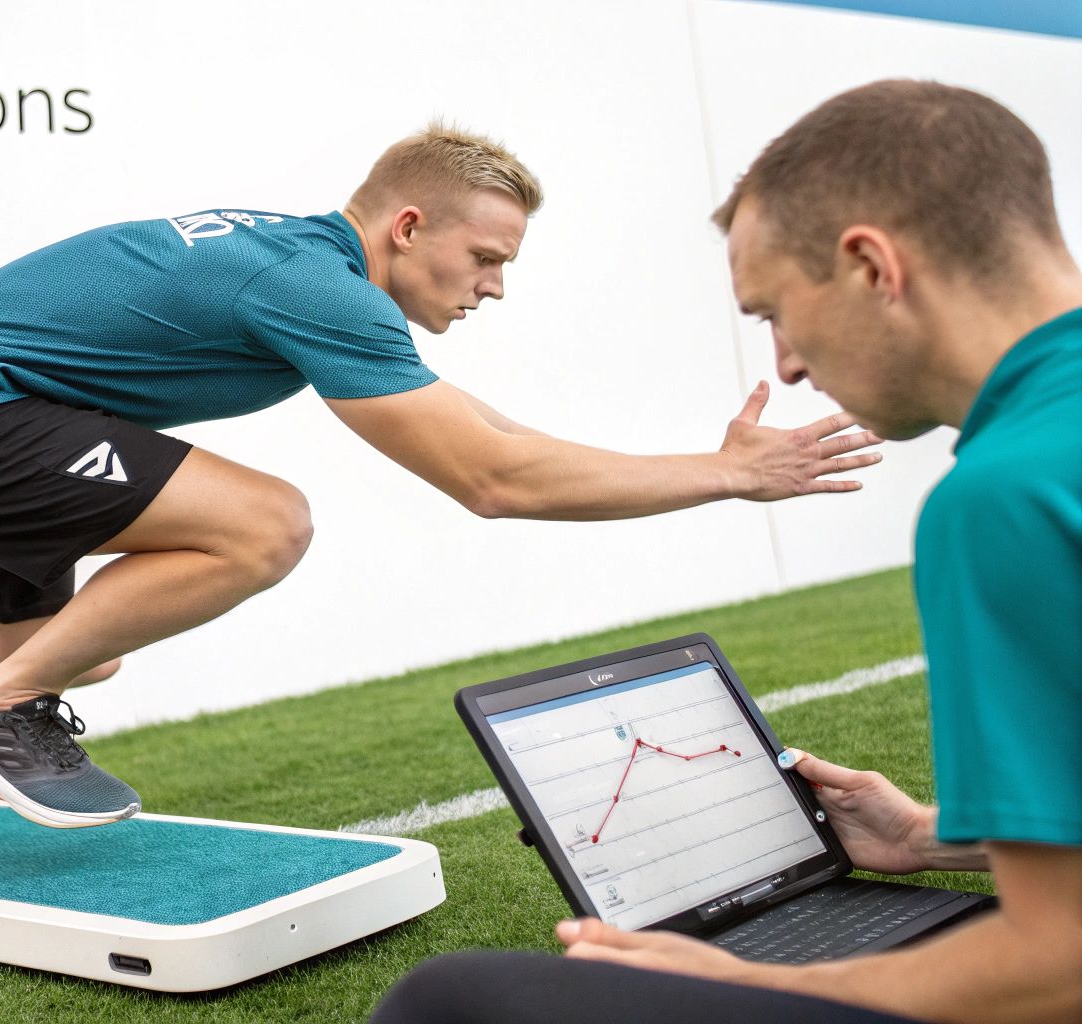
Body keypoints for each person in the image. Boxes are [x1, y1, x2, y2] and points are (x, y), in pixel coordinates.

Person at [0, 121, 881, 843]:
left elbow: (487, 434)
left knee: (73, 644)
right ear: (407, 224)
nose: (492, 287)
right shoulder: (314, 286)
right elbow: (492, 480)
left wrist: (714, 468)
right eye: (483, 258)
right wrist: (726, 476)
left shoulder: (299, 255)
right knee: (264, 524)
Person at [371, 81, 1082, 1024]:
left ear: (871, 265)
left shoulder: (1005, 494)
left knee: (454, 998)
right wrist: (925, 837)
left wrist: (757, 984)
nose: (786, 363)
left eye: (773, 313)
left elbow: (1057, 966)